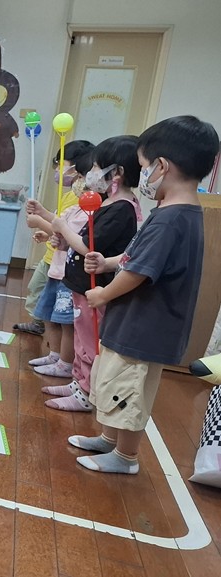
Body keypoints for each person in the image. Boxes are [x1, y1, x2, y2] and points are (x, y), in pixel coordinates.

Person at [72, 116, 218, 473]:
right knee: (115, 382)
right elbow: (135, 256)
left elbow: (139, 271)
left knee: (129, 389)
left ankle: (126, 457)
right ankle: (109, 439)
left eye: (144, 167)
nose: (144, 176)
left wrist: (104, 294)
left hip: (145, 326)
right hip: (136, 321)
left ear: (162, 166)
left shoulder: (171, 218)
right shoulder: (173, 212)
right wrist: (108, 262)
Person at [50, 136, 141, 412]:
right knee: (81, 337)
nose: (92, 173)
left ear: (117, 172)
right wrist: (62, 240)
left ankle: (87, 391)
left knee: (90, 341)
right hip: (82, 285)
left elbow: (89, 245)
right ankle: (78, 381)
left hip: (96, 287)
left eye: (97, 167)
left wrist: (62, 228)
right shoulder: (108, 203)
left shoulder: (122, 208)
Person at [14, 140, 94, 335]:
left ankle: (42, 326)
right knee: (37, 290)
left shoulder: (81, 198)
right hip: (52, 255)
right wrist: (45, 229)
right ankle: (40, 323)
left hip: (61, 261)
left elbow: (66, 230)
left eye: (61, 164)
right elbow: (58, 224)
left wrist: (39, 222)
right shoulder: (68, 196)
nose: (57, 170)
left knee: (52, 299)